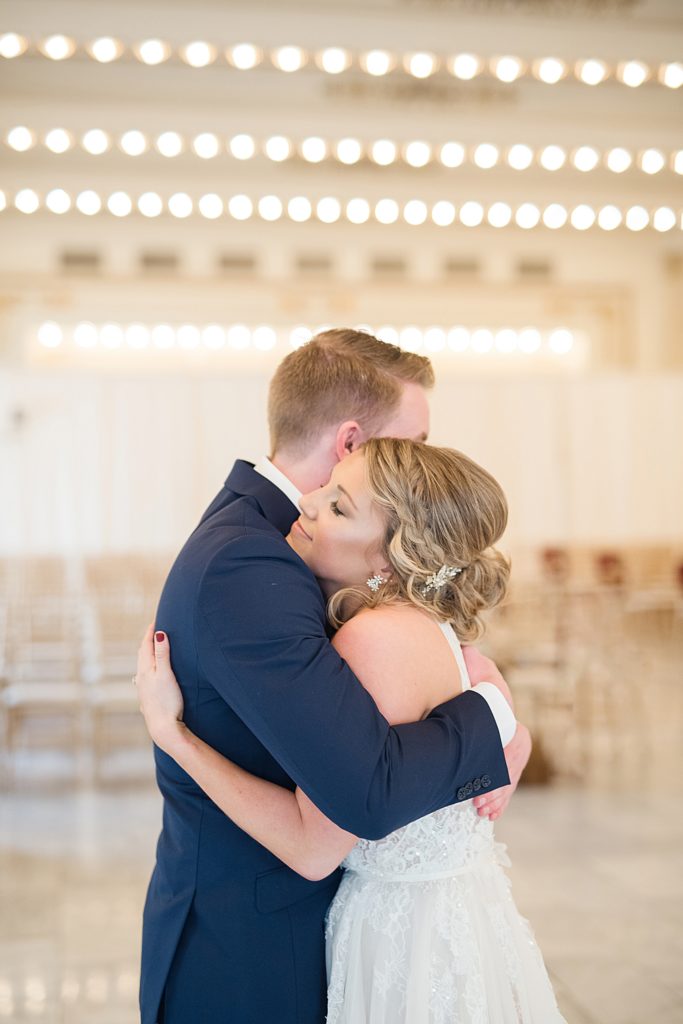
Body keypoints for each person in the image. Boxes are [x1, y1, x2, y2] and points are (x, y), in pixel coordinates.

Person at [137, 329, 525, 1024]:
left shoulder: (327, 576)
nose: (420, 462)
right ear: (351, 444)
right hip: (251, 953)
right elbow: (368, 789)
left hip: (363, 933)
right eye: (415, 440)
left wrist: (492, 707)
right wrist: (490, 719)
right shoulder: (253, 559)